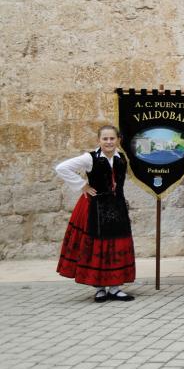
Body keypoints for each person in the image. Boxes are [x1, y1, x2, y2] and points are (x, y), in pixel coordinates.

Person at [55, 125, 136, 302]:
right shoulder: (89, 158)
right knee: (97, 245)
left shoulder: (121, 158)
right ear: (99, 140)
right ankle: (99, 288)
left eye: (112, 138)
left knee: (117, 244)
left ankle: (115, 288)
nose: (108, 142)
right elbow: (62, 168)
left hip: (117, 207)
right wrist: (82, 185)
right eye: (105, 139)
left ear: (118, 140)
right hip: (96, 207)